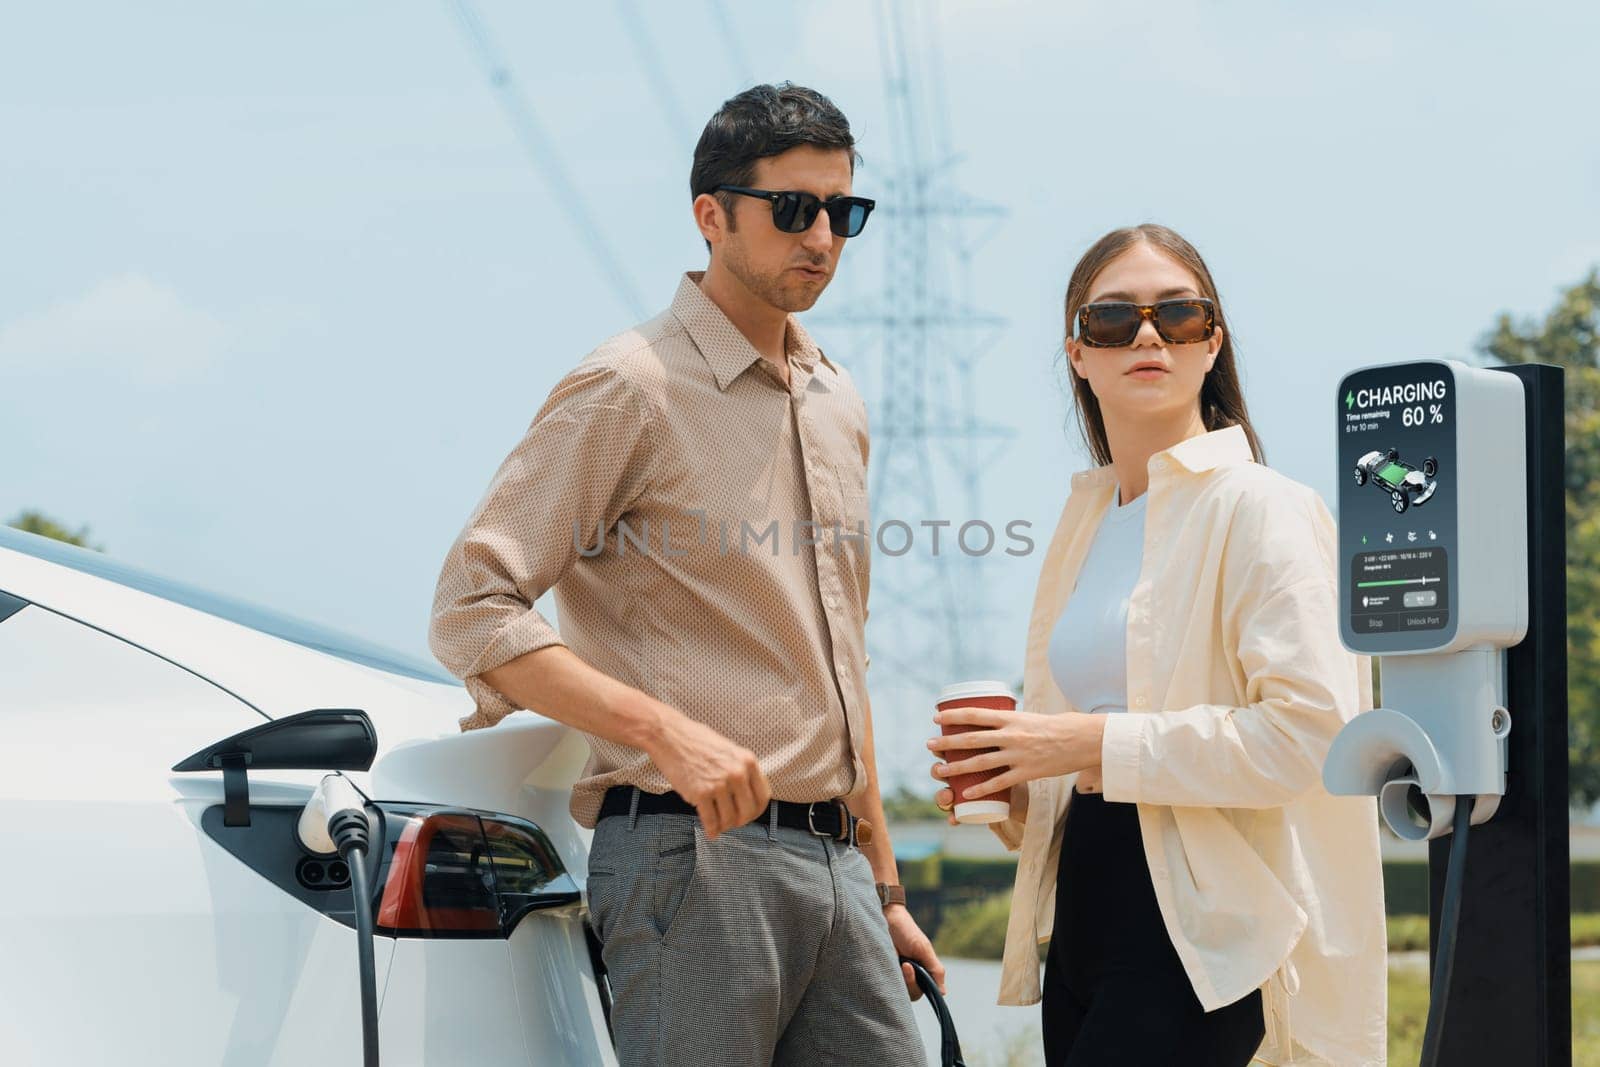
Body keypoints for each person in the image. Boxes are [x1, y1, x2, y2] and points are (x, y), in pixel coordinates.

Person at [428, 83, 939, 1066]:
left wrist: (884, 884)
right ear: (711, 214)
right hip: (690, 858)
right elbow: (473, 608)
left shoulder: (838, 399)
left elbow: (840, 658)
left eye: (844, 211)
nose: (823, 236)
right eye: (794, 208)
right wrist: (664, 731)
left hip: (838, 869)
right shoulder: (630, 383)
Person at [927, 224, 1388, 1065]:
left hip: (1201, 927)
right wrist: (1021, 788)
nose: (1147, 335)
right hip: (1084, 909)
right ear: (1077, 353)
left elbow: (1316, 735)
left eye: (1178, 315)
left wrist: (1080, 741)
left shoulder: (1261, 507)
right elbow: (1103, 763)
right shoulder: (1088, 524)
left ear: (1212, 345)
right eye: (1113, 321)